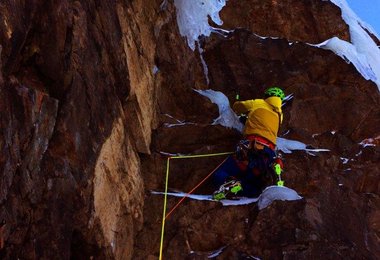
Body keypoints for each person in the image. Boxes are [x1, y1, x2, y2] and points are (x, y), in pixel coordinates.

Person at [212, 87, 285, 199]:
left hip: (251, 146)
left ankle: (231, 183)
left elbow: (238, 107)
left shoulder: (259, 103)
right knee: (256, 186)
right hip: (268, 153)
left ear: (267, 96)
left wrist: (237, 103)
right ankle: (242, 187)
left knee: (222, 172)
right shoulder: (280, 115)